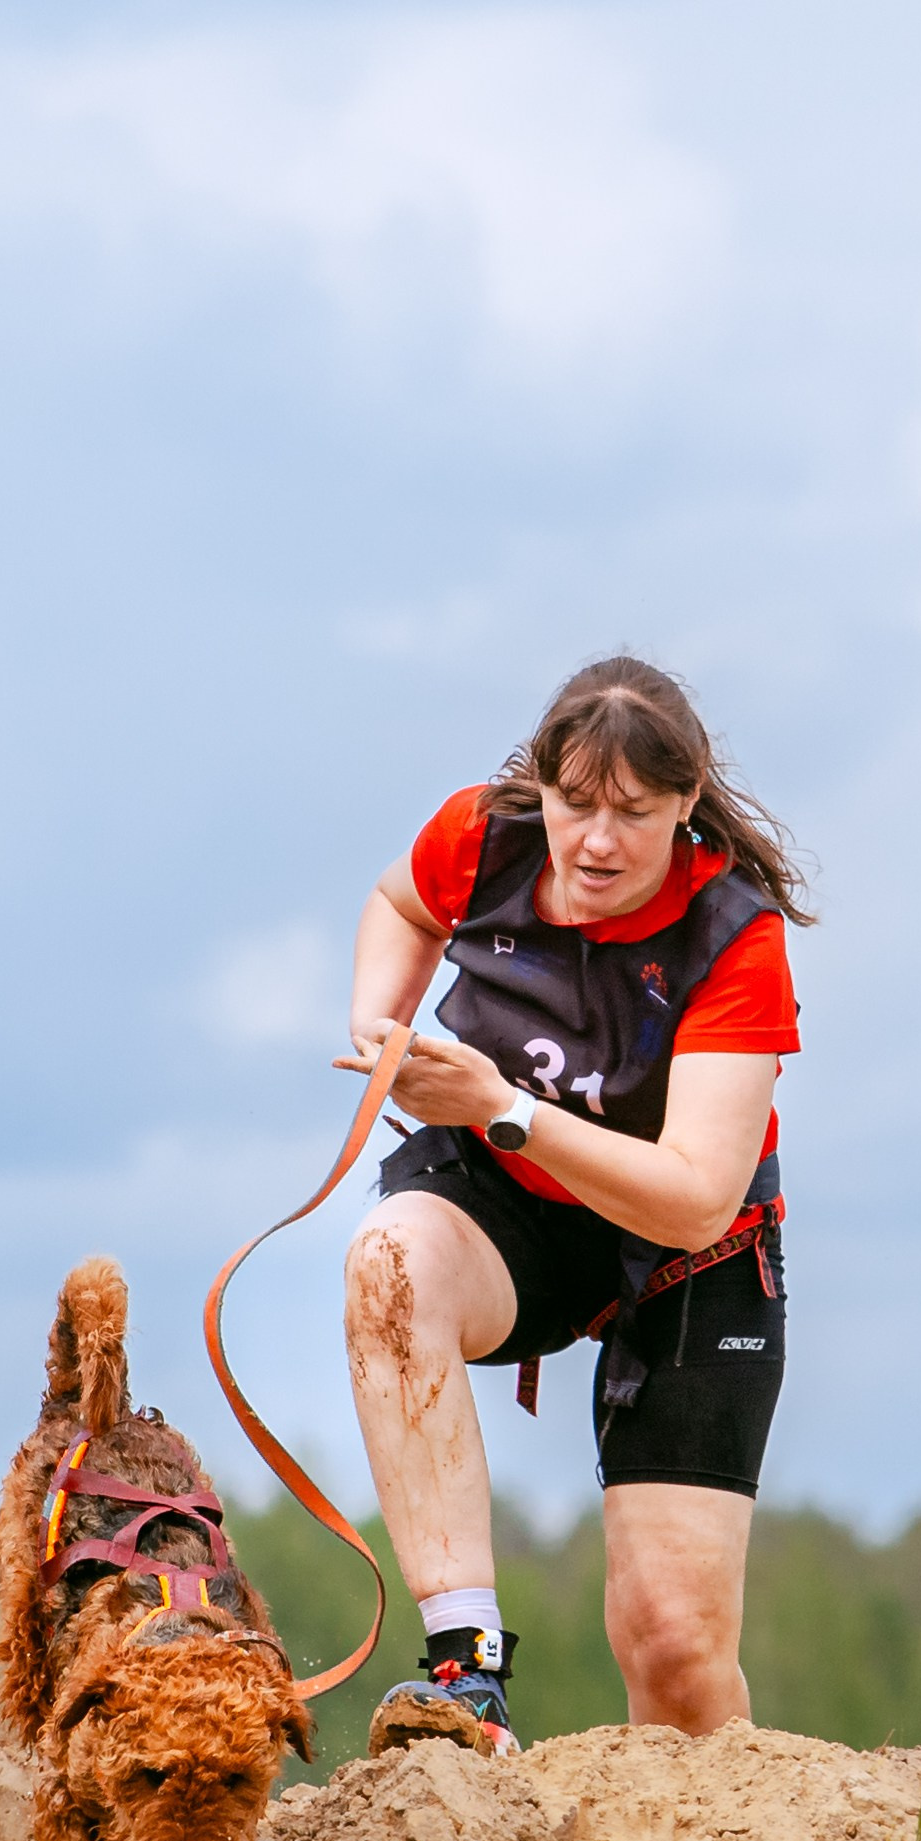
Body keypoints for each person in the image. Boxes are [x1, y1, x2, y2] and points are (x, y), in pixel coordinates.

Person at [340, 654, 812, 1758]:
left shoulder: (734, 936)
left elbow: (696, 1199)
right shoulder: (478, 836)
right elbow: (398, 904)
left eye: (634, 815)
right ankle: (466, 1675)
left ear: (686, 805)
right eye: (574, 805)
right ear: (539, 788)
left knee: (674, 1649)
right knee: (386, 1262)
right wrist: (377, 1024)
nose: (596, 841)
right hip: (516, 1219)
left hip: (687, 1253)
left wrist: (503, 1106)